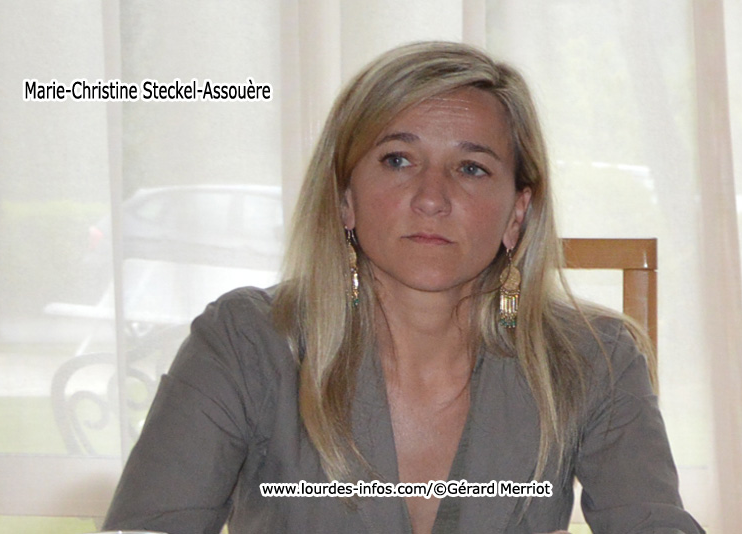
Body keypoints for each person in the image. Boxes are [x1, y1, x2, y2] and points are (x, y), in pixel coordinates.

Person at [102, 41, 704, 534]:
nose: (432, 198)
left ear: (517, 212)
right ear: (344, 197)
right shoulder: (246, 343)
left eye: (471, 168)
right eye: (397, 160)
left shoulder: (594, 359)